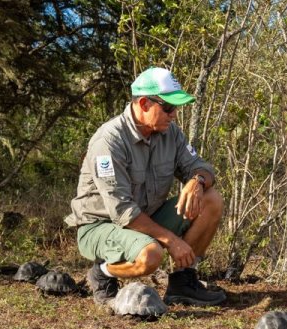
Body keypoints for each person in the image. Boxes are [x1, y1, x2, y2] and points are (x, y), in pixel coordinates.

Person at [66, 67, 226, 306]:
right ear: (143, 103)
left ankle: (182, 282)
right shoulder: (109, 141)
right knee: (151, 255)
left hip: (145, 218)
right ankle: (103, 273)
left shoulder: (170, 133)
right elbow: (122, 212)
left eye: (177, 108)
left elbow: (201, 167)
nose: (174, 115)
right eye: (168, 108)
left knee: (211, 199)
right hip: (101, 226)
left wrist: (197, 181)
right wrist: (172, 241)